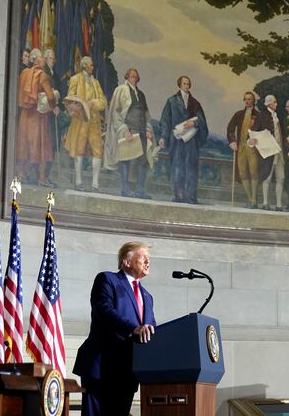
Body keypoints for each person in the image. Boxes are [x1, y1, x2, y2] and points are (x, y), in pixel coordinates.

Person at [73, 241, 156, 416]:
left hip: (127, 373)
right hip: (102, 366)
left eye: (149, 258)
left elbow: (150, 328)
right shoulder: (107, 279)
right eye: (143, 257)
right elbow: (104, 311)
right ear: (126, 262)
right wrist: (133, 329)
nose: (148, 262)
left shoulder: (148, 297)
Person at [104, 68, 154, 199]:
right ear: (127, 77)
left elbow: (146, 114)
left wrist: (148, 130)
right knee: (125, 159)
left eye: (136, 77)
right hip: (129, 130)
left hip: (141, 131)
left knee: (143, 161)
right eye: (132, 76)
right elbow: (116, 112)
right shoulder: (121, 90)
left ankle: (140, 190)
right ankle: (125, 189)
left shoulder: (141, 94)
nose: (134, 78)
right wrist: (124, 130)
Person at [158, 76, 209, 204]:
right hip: (177, 139)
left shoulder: (195, 103)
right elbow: (165, 120)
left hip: (191, 140)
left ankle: (190, 196)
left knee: (191, 167)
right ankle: (178, 195)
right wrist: (164, 136)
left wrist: (194, 124)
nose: (186, 86)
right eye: (184, 83)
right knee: (177, 167)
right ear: (179, 85)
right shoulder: (172, 101)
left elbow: (202, 120)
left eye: (188, 83)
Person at [16, 48, 60, 187]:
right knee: (42, 145)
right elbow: (50, 96)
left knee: (24, 144)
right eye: (41, 58)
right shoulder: (42, 75)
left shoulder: (23, 73)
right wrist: (54, 107)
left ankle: (22, 175)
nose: (44, 60)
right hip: (38, 116)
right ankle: (41, 177)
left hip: (25, 115)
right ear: (36, 60)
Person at [64, 56, 108, 192]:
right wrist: (79, 105)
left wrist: (92, 103)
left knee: (97, 151)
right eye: (91, 65)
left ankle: (95, 183)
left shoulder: (95, 82)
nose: (92, 67)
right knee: (79, 149)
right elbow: (69, 99)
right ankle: (78, 182)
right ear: (85, 66)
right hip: (80, 120)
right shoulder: (75, 79)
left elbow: (103, 102)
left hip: (94, 121)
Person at [227, 91, 271, 209]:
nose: (247, 101)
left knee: (253, 173)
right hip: (240, 148)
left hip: (253, 149)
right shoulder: (238, 114)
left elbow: (266, 132)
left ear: (254, 101)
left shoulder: (259, 115)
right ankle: (250, 199)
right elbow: (230, 128)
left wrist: (257, 139)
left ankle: (254, 200)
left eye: (250, 99)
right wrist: (232, 141)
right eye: (245, 99)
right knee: (243, 173)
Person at [260, 95, 288, 211]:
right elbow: (255, 132)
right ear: (269, 103)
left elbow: (283, 135)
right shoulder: (262, 116)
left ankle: (279, 204)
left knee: (280, 178)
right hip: (269, 151)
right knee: (267, 176)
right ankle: (265, 202)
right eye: (275, 102)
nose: (276, 104)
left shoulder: (278, 117)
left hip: (279, 151)